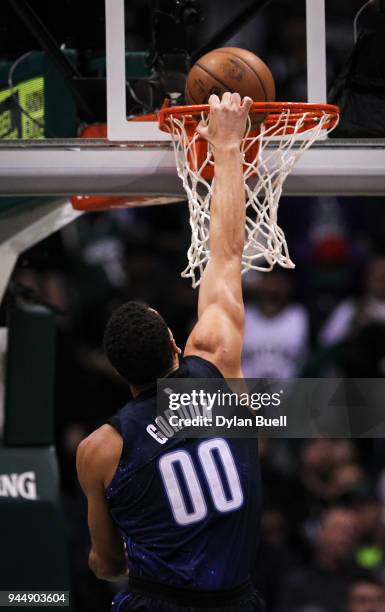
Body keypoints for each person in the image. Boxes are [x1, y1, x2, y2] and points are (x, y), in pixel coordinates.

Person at [76, 93, 265, 611]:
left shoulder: (100, 449)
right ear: (176, 344)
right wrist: (227, 147)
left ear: (119, 373)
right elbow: (225, 252)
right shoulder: (218, 360)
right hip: (236, 601)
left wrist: (102, 563)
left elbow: (108, 565)